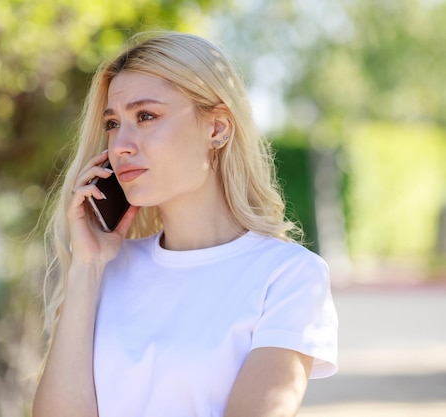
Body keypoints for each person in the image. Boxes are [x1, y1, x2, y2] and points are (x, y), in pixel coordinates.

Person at [32, 31, 338, 417]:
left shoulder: (288, 277)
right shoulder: (103, 270)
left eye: (146, 116)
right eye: (112, 123)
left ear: (217, 128)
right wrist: (86, 268)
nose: (121, 144)